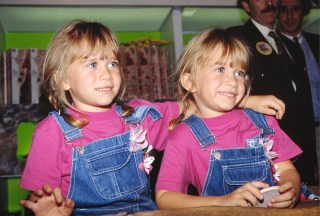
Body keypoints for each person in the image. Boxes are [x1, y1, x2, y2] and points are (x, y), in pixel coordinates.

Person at [19, 19, 286, 215]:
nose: (106, 73)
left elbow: (194, 103)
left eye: (112, 63)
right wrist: (49, 211)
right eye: (92, 64)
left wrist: (245, 100)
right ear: (63, 79)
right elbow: (43, 199)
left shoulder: (139, 117)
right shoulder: (51, 131)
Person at [155, 27, 302, 210]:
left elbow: (287, 171)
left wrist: (290, 191)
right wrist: (222, 201)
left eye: (239, 73)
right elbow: (165, 197)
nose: (232, 81)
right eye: (220, 69)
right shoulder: (184, 135)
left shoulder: (263, 123)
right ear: (189, 82)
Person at [228, 0, 318, 185]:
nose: (269, 3)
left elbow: (305, 107)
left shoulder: (291, 45)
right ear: (246, 5)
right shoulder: (237, 38)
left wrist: (312, 160)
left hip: (301, 151)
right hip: (266, 148)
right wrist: (247, 100)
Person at [278, 0, 320, 184]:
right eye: (283, 10)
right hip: (293, 131)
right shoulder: (274, 46)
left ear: (304, 12)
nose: (289, 16)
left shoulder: (317, 42)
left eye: (295, 9)